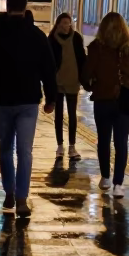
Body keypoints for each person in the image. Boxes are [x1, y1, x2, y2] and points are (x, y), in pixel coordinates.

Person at [0, 0, 57, 217]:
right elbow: (48, 68)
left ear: (6, 8)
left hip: (3, 100)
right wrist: (51, 98)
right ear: (26, 9)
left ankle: (9, 192)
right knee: (25, 151)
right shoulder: (36, 35)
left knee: (5, 149)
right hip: (28, 100)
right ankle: (22, 198)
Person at [82, 12, 129, 199]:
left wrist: (93, 87)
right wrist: (128, 87)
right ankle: (119, 184)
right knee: (121, 142)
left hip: (102, 101)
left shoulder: (96, 47)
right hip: (125, 102)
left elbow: (85, 75)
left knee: (103, 140)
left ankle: (105, 177)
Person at [48, 12, 85, 160]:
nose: (65, 25)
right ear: (57, 24)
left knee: (72, 115)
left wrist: (84, 78)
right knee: (58, 115)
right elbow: (49, 61)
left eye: (68, 23)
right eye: (63, 23)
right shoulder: (51, 39)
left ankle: (72, 146)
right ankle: (59, 146)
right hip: (57, 82)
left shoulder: (76, 38)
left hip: (72, 81)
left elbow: (81, 58)